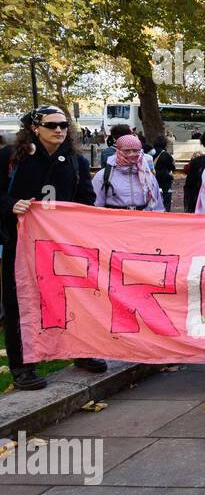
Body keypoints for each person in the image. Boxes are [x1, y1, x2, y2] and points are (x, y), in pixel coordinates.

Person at [0, 106, 103, 389]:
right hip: (19, 244)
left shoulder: (75, 162)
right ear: (35, 128)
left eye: (63, 125)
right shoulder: (11, 158)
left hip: (62, 247)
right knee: (19, 302)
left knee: (73, 298)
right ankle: (22, 366)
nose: (59, 130)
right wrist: (11, 205)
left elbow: (85, 200)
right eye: (51, 125)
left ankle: (81, 351)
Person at [92, 134, 164, 211]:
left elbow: (157, 206)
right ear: (118, 151)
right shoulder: (103, 175)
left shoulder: (148, 176)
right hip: (114, 220)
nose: (131, 154)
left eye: (135, 150)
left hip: (141, 220)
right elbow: (95, 207)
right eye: (127, 150)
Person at [151, 137, 175, 211]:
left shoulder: (150, 153)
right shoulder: (165, 154)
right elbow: (172, 167)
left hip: (153, 178)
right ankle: (166, 212)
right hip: (165, 179)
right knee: (166, 198)